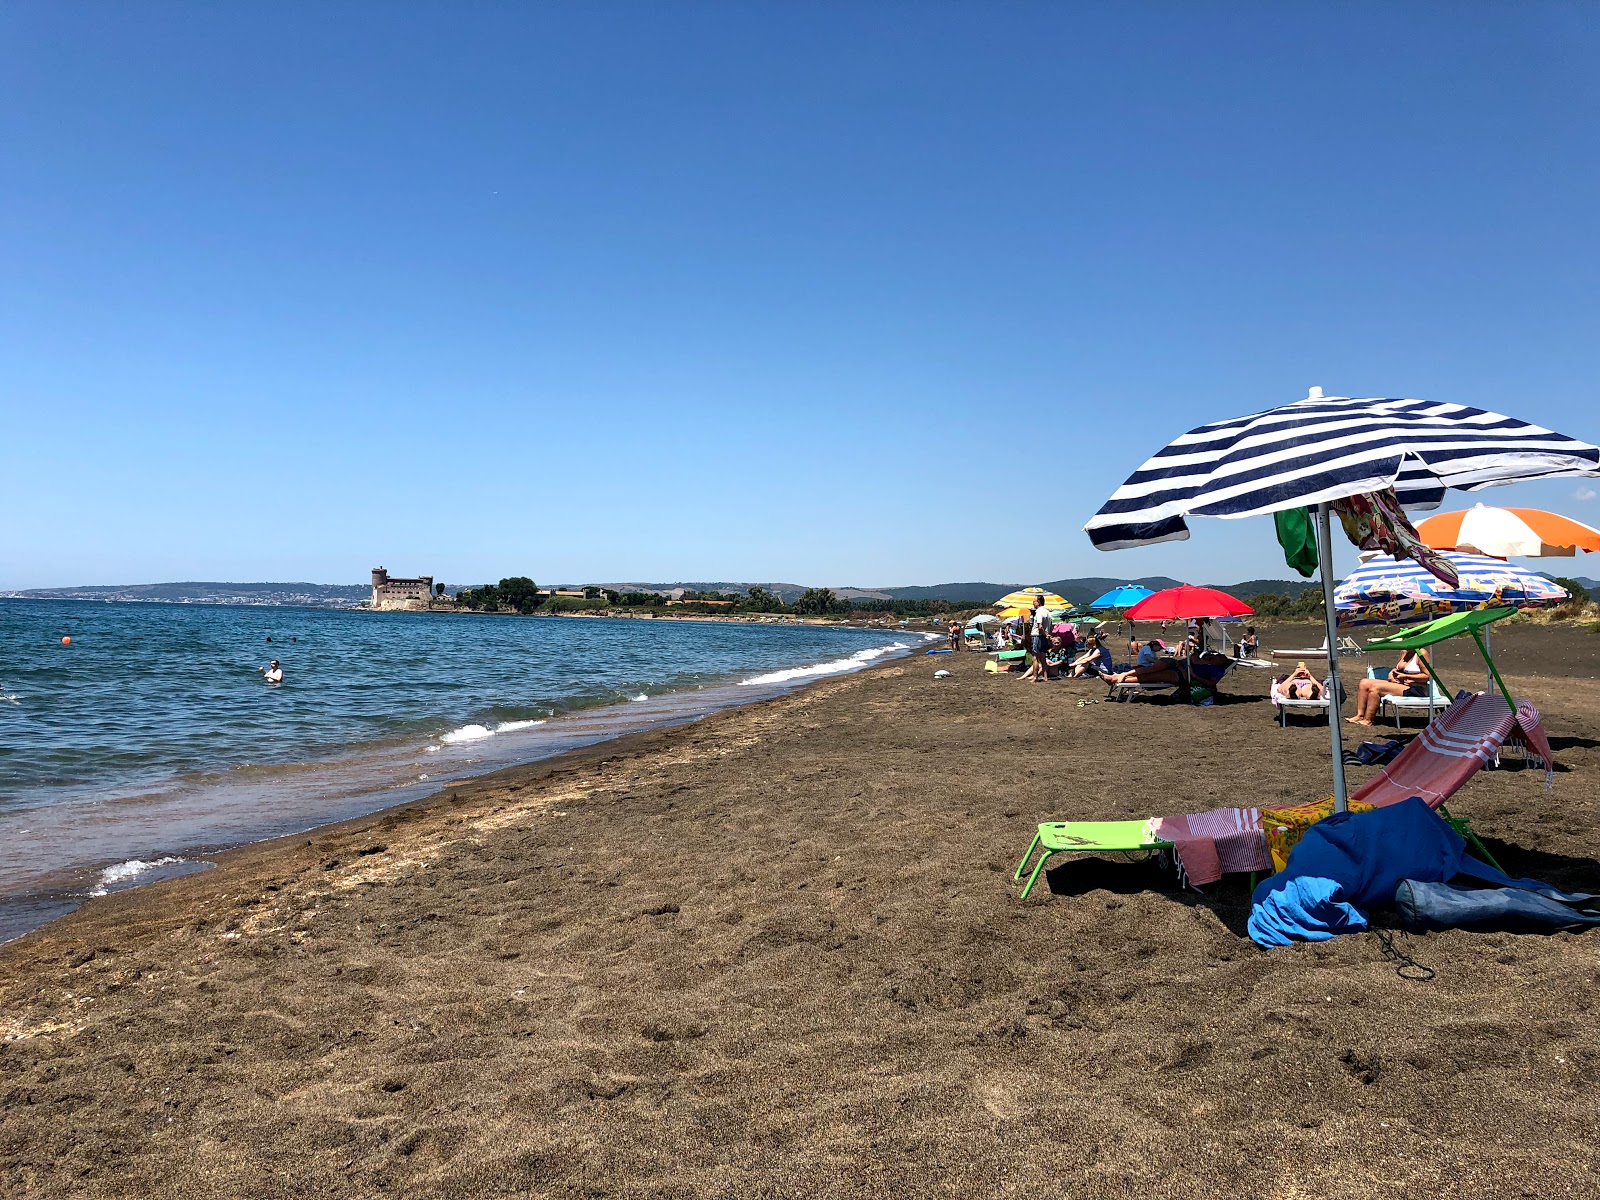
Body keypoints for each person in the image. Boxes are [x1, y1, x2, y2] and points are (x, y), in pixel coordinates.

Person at [1348, 648, 1429, 726]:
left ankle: (1368, 720)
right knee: (1364, 683)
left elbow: (1427, 676)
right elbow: (1397, 668)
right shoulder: (1404, 652)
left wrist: (1406, 677)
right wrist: (1392, 673)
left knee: (1376, 688)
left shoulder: (1421, 653)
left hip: (1416, 688)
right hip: (1402, 684)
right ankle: (1360, 715)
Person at [1019, 597, 1053, 683]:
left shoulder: (1039, 612)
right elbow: (1051, 626)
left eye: (1034, 602)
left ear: (1038, 602)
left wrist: (1044, 634)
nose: (1033, 604)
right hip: (1044, 636)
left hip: (1037, 635)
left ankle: (1035, 677)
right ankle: (1045, 677)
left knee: (1035, 658)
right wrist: (1048, 635)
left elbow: (1040, 626)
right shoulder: (1048, 612)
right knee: (1043, 658)